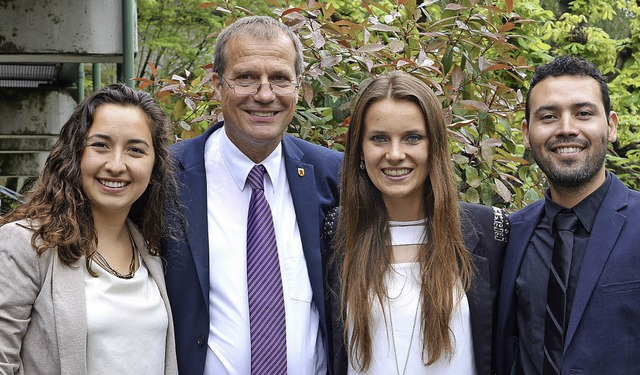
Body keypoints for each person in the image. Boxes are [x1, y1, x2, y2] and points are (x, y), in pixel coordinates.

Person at [162, 16, 342, 375]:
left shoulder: (334, 175)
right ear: (217, 84)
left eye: (279, 78)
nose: (264, 95)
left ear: (298, 85)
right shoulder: (166, 176)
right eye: (245, 78)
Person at [323, 71, 509, 375]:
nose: (395, 154)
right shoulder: (335, 234)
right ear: (359, 149)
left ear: (434, 144)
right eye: (379, 138)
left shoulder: (489, 232)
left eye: (412, 137)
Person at [0, 83, 179, 374]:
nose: (116, 164)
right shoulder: (27, 244)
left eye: (135, 149)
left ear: (154, 164)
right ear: (75, 153)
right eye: (100, 145)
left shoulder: (153, 250)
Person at [495, 55, 640, 375]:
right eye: (548, 116)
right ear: (526, 132)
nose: (566, 129)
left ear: (611, 125)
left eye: (583, 113)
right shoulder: (510, 234)